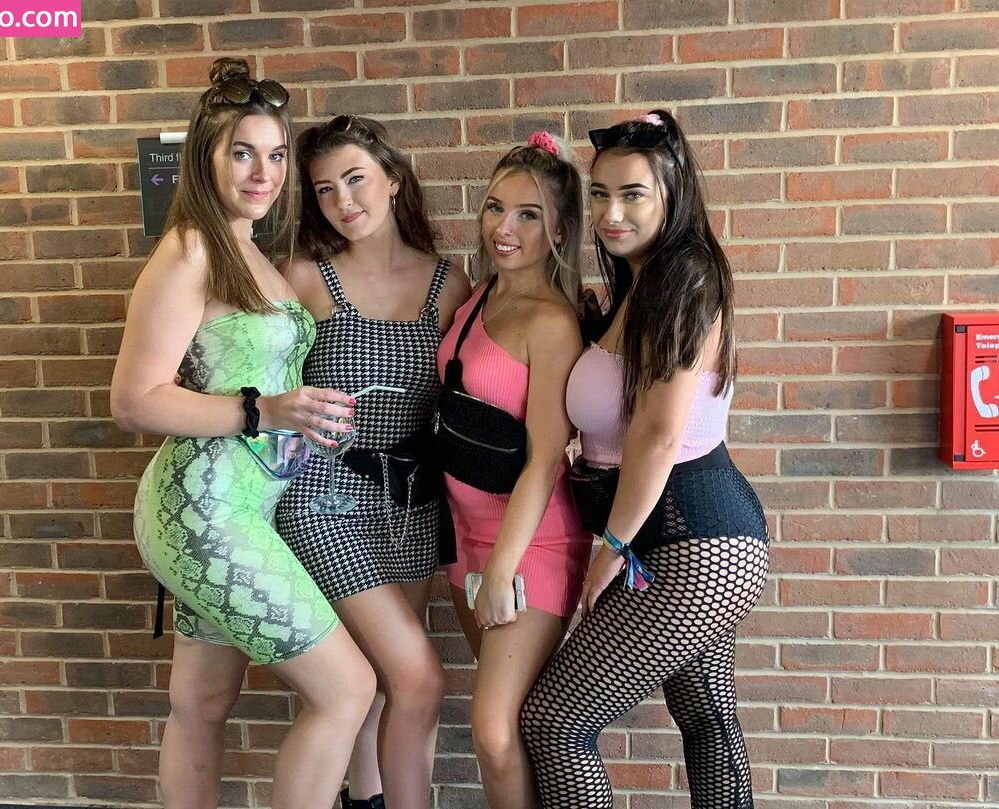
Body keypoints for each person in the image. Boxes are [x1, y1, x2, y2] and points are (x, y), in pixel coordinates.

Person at [110, 58, 376, 809]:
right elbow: (133, 400)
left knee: (201, 703)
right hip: (204, 511)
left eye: (276, 154)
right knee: (348, 689)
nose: (264, 172)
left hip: (238, 508)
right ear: (207, 156)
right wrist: (264, 411)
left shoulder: (247, 245)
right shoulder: (191, 248)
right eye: (243, 153)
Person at [519, 110, 770, 808]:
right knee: (707, 721)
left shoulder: (684, 277)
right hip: (690, 537)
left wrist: (613, 546)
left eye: (633, 194)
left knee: (555, 722)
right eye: (600, 193)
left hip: (689, 539)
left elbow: (658, 433)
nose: (611, 213)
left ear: (672, 194)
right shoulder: (642, 282)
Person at [274, 115, 470, 809]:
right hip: (324, 496)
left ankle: (367, 799)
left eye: (355, 179)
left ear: (392, 179)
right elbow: (251, 370)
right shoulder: (306, 277)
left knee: (386, 680)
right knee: (415, 677)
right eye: (325, 189)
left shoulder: (449, 283)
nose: (343, 200)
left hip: (412, 502)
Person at [437, 132, 589, 809]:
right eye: (496, 207)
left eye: (528, 214)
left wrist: (501, 569)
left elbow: (546, 456)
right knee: (515, 728)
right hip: (464, 540)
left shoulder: (552, 322)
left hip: (530, 545)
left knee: (494, 732)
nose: (504, 227)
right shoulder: (477, 297)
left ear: (558, 230)